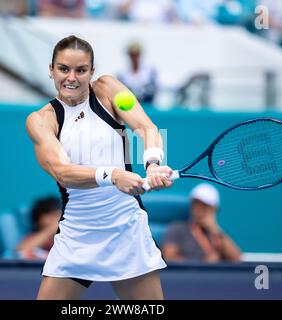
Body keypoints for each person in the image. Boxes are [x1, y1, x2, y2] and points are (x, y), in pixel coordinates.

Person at [25, 35, 174, 300]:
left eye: (81, 70)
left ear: (91, 71)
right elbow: (62, 171)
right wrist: (113, 175)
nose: (71, 78)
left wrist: (152, 164)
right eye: (63, 69)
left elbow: (146, 127)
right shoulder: (41, 121)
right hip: (77, 236)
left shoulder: (109, 90)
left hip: (126, 231)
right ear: (51, 70)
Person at [162, 183, 241, 263]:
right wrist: (203, 265)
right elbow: (169, 258)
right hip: (185, 274)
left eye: (205, 206)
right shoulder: (177, 228)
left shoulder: (219, 235)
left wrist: (216, 230)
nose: (199, 209)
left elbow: (237, 259)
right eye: (196, 204)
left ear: (214, 209)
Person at [117, 41, 158, 105]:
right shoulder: (122, 74)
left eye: (136, 55)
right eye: (132, 55)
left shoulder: (149, 72)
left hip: (146, 105)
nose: (134, 58)